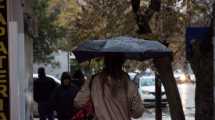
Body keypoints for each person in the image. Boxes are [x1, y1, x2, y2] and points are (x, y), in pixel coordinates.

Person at [74, 55, 144, 120]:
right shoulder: (129, 84)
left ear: (105, 61)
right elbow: (138, 112)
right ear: (122, 62)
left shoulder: (93, 81)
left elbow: (78, 102)